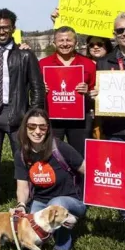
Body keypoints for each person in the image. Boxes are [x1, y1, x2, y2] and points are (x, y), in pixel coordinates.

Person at [0, 8, 44, 210]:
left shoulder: (25, 55)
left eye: (5, 28)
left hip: (19, 113)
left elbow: (37, 87)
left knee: (23, 159)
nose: (1, 31)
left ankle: (28, 201)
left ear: (13, 28)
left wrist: (35, 115)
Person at [14, 108, 85, 250]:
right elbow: (22, 187)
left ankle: (61, 248)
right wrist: (21, 204)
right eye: (32, 126)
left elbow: (88, 169)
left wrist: (119, 174)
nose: (37, 131)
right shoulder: (21, 154)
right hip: (41, 201)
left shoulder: (60, 147)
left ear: (47, 129)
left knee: (56, 203)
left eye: (42, 127)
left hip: (71, 201)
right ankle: (48, 239)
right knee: (32, 232)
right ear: (25, 128)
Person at [92, 13, 125, 221]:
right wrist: (96, 95)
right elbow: (98, 90)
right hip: (115, 127)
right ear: (114, 35)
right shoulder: (104, 62)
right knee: (120, 170)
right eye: (120, 31)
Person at [38, 27, 95, 157]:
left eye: (69, 40)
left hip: (80, 119)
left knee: (80, 155)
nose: (64, 44)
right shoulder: (42, 64)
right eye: (61, 40)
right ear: (54, 43)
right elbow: (33, 90)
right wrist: (41, 89)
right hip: (52, 117)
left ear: (76, 43)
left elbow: (94, 91)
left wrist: (88, 91)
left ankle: (79, 178)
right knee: (51, 154)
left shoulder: (88, 64)